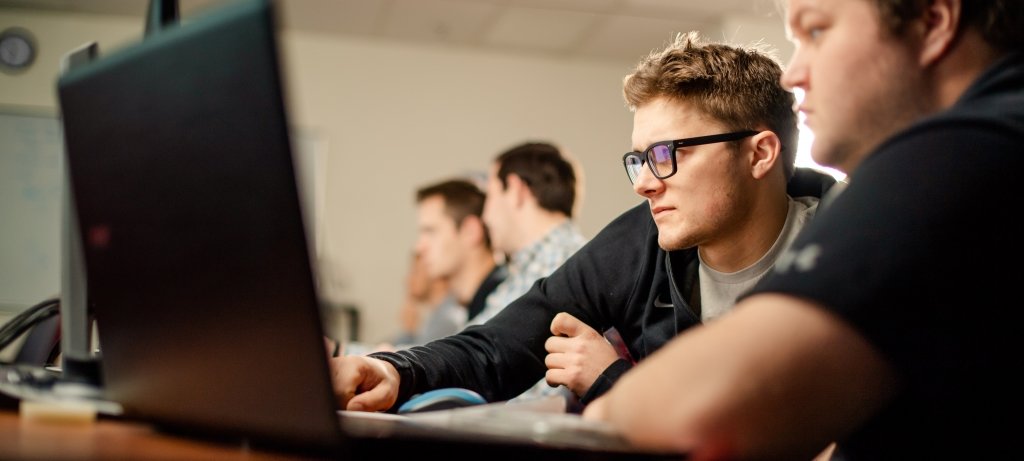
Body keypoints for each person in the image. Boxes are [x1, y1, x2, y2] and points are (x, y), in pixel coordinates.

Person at [582, 1, 1024, 459]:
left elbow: (701, 412)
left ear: (932, 22)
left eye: (816, 32)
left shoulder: (963, 153)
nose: (792, 76)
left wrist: (606, 407)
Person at [329, 32, 836, 413]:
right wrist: (396, 371)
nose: (644, 183)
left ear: (760, 154)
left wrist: (610, 380)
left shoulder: (846, 244)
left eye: (665, 154)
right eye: (639, 159)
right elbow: (502, 345)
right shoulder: (644, 241)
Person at [470, 141, 587, 327]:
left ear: (515, 190)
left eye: (490, 197)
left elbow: (480, 348)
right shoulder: (531, 269)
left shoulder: (557, 267)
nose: (485, 217)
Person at [412, 179, 506, 326]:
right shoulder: (469, 306)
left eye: (430, 231)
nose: (419, 247)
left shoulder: (505, 302)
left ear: (470, 231)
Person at [388, 251, 462, 348]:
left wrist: (409, 333)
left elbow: (416, 359)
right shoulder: (439, 314)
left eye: (415, 271)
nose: (408, 279)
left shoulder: (447, 319)